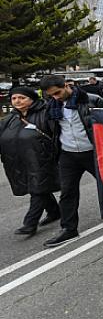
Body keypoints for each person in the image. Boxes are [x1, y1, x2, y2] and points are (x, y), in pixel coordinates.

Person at [39, 75, 103, 247]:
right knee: (68, 192)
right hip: (68, 154)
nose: (56, 97)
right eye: (51, 95)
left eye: (57, 92)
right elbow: (50, 130)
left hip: (93, 151)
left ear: (66, 85)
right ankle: (69, 229)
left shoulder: (92, 100)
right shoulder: (51, 107)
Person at [0, 87, 61, 236]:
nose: (17, 101)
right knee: (37, 188)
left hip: (41, 160)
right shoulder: (9, 119)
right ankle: (54, 211)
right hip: (17, 163)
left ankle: (30, 223)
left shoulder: (45, 113)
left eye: (22, 97)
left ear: (32, 99)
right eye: (14, 98)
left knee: (37, 189)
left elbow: (57, 135)